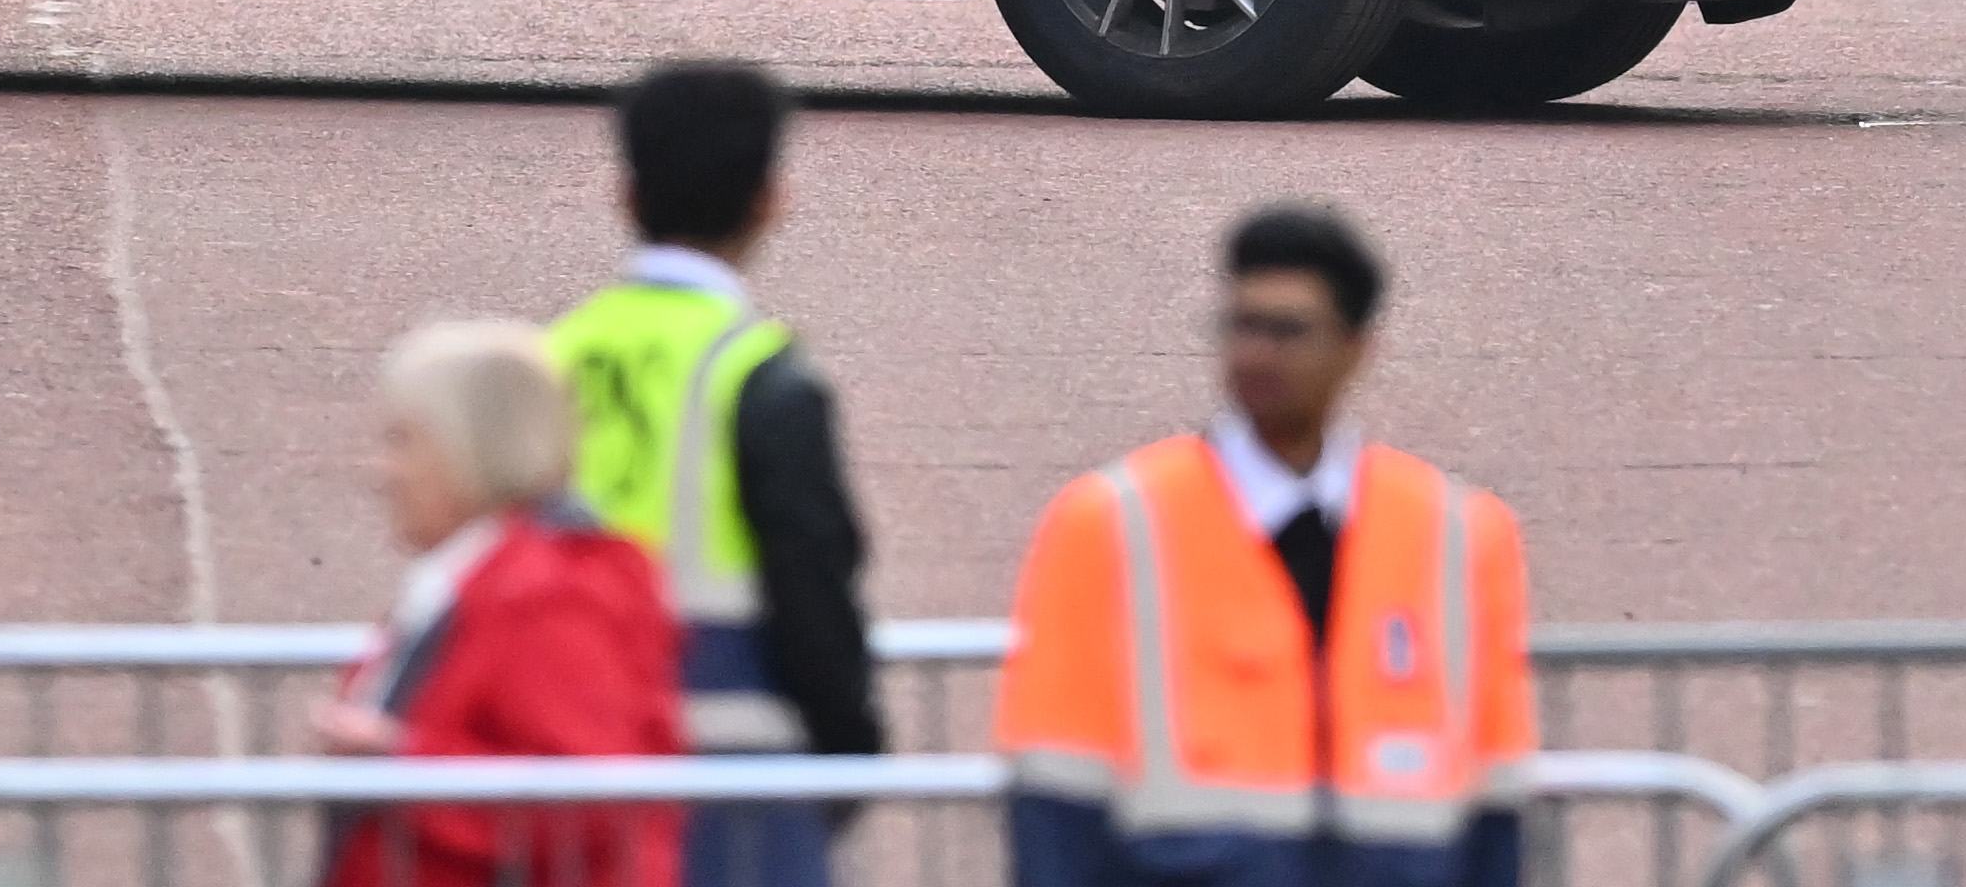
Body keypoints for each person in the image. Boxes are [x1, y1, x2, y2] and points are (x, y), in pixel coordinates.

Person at [983, 211, 1534, 887]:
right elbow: (1054, 793)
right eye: (1242, 326)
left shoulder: (1459, 535)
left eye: (1289, 331)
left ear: (1358, 348)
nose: (1257, 354)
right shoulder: (1110, 522)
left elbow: (1494, 800)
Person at [556, 65, 881, 887]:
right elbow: (812, 574)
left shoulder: (546, 359)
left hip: (559, 757)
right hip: (727, 765)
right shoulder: (760, 374)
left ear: (625, 196)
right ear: (771, 198)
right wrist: (850, 745)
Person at [311, 323, 683, 887]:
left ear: (467, 449)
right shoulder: (488, 578)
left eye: (404, 441)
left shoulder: (548, 597)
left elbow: (589, 797)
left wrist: (402, 762)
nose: (381, 473)